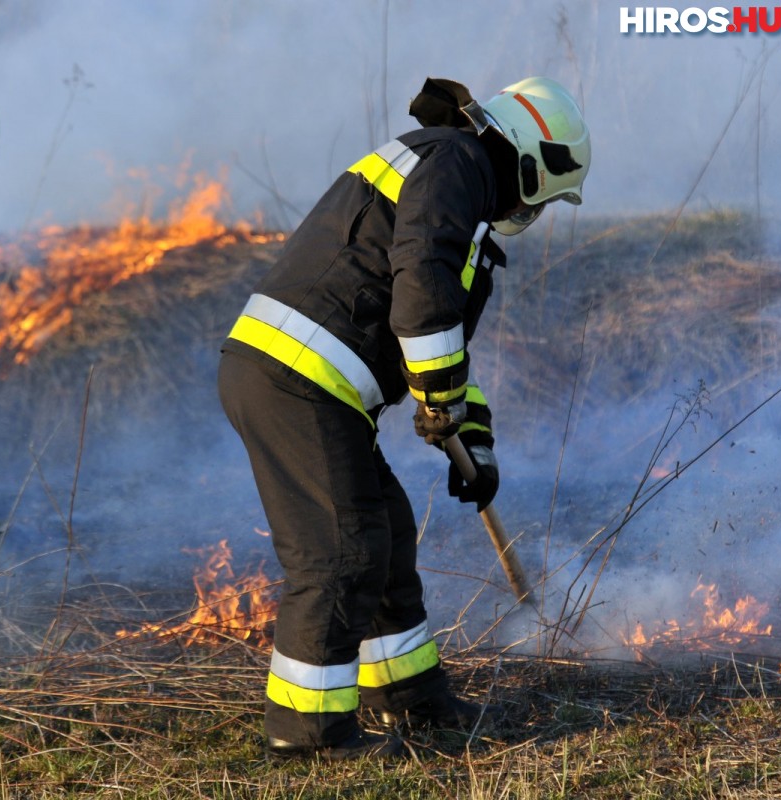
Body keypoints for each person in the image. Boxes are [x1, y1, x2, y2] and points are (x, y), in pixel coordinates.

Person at [218, 76, 590, 759]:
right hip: (294, 375)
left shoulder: (461, 183)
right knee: (340, 553)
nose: (534, 211)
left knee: (384, 533)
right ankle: (308, 739)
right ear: (534, 161)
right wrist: (443, 396)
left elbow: (435, 346)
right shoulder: (455, 159)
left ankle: (414, 703)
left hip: (313, 381)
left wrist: (473, 440)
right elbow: (422, 286)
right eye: (544, 195)